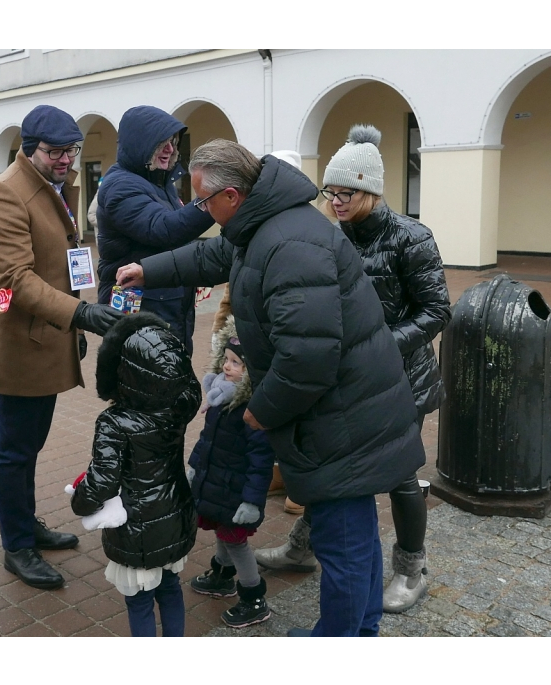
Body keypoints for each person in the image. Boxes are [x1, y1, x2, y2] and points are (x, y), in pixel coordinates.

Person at [116, 139, 426, 637]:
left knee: (343, 542)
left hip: (342, 419)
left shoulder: (290, 245)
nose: (201, 210)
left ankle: (340, 640)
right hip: (348, 411)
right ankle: (359, 632)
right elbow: (216, 255)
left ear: (233, 195)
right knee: (356, 534)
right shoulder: (265, 224)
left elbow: (307, 359)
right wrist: (148, 269)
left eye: (204, 201)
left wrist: (261, 410)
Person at [255, 126, 451, 613]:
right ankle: (303, 548)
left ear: (371, 191)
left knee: (401, 476)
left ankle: (411, 570)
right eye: (331, 192)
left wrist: (384, 345)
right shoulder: (330, 235)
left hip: (403, 380)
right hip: (347, 380)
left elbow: (437, 310)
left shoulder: (411, 236)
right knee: (333, 468)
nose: (337, 201)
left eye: (347, 193)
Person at [0, 104, 123, 590]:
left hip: (49, 337)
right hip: (20, 346)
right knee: (14, 450)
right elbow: (16, 280)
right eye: (55, 151)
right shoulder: (5, 194)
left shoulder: (52, 186)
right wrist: (80, 315)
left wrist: (75, 326)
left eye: (71, 150)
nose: (65, 159)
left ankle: (26, 522)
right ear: (28, 148)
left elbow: (64, 260)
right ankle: (16, 545)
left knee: (30, 446)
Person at [70, 312, 200, 637]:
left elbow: (101, 481)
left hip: (137, 528)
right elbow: (190, 383)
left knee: (139, 602)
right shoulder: (182, 402)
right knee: (170, 587)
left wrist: (80, 502)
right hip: (176, 513)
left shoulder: (114, 423)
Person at [95, 105, 215, 354]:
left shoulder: (159, 182)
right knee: (148, 383)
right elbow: (164, 229)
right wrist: (214, 198)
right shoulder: (120, 186)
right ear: (142, 144)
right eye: (162, 143)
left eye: (173, 142)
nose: (171, 149)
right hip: (142, 310)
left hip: (164, 305)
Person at [187, 317, 275, 628]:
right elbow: (207, 441)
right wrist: (194, 468)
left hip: (237, 490)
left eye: (237, 363)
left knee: (236, 540)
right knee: (221, 530)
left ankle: (253, 596)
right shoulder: (222, 398)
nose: (227, 367)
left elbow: (261, 462)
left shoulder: (252, 411)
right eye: (226, 360)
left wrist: (251, 502)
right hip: (217, 483)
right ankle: (222, 574)